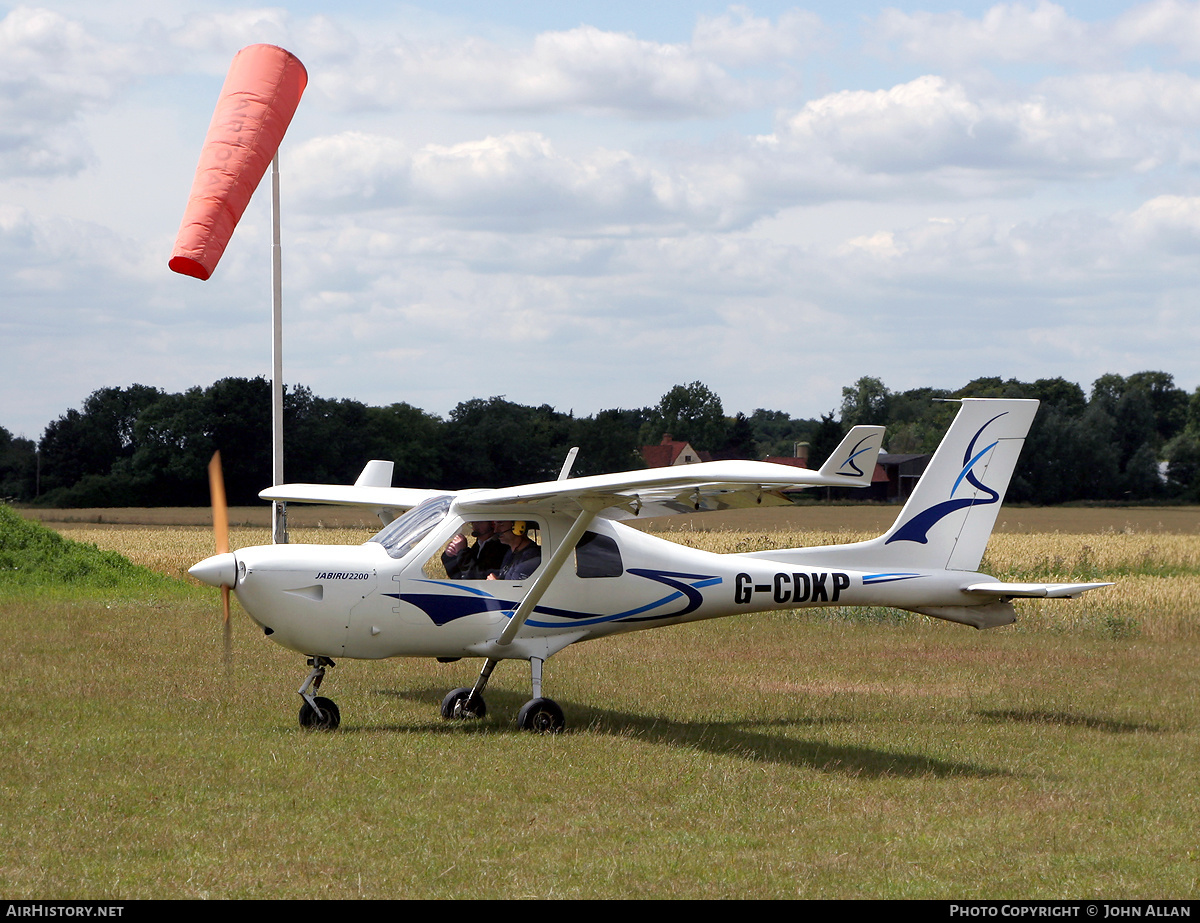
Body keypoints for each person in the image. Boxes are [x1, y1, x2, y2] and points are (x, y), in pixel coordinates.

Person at [441, 521, 506, 580]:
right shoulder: (479, 545)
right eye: (472, 523)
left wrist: (462, 551)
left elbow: (476, 576)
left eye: (479, 522)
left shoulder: (500, 547)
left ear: (492, 523)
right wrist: (450, 555)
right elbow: (459, 576)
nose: (475, 526)